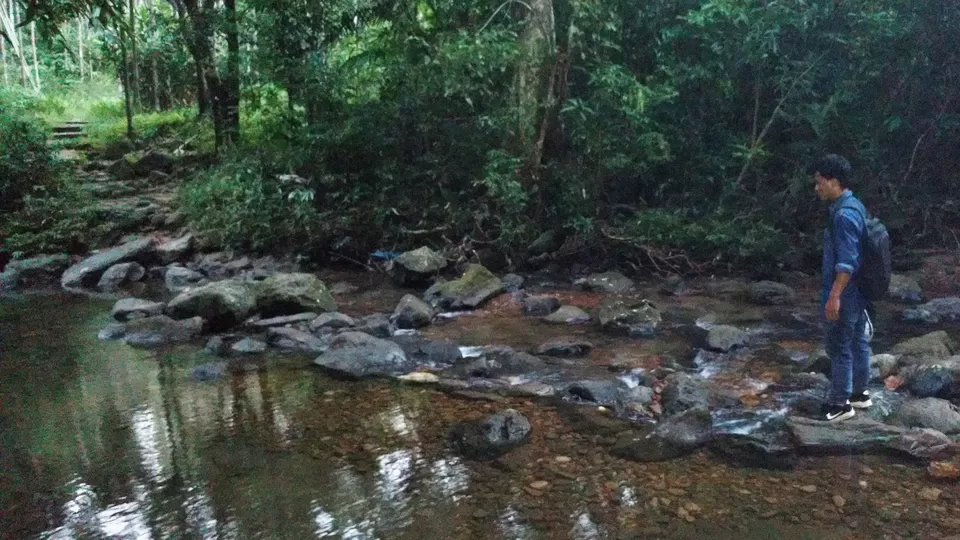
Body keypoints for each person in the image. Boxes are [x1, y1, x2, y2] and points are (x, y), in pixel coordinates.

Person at [809, 154, 873, 422]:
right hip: (859, 292)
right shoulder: (855, 206)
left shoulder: (843, 216)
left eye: (819, 182)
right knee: (858, 341)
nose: (817, 188)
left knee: (839, 345)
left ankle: (840, 403)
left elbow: (846, 262)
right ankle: (860, 394)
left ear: (834, 181)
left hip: (845, 291)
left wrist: (834, 296)